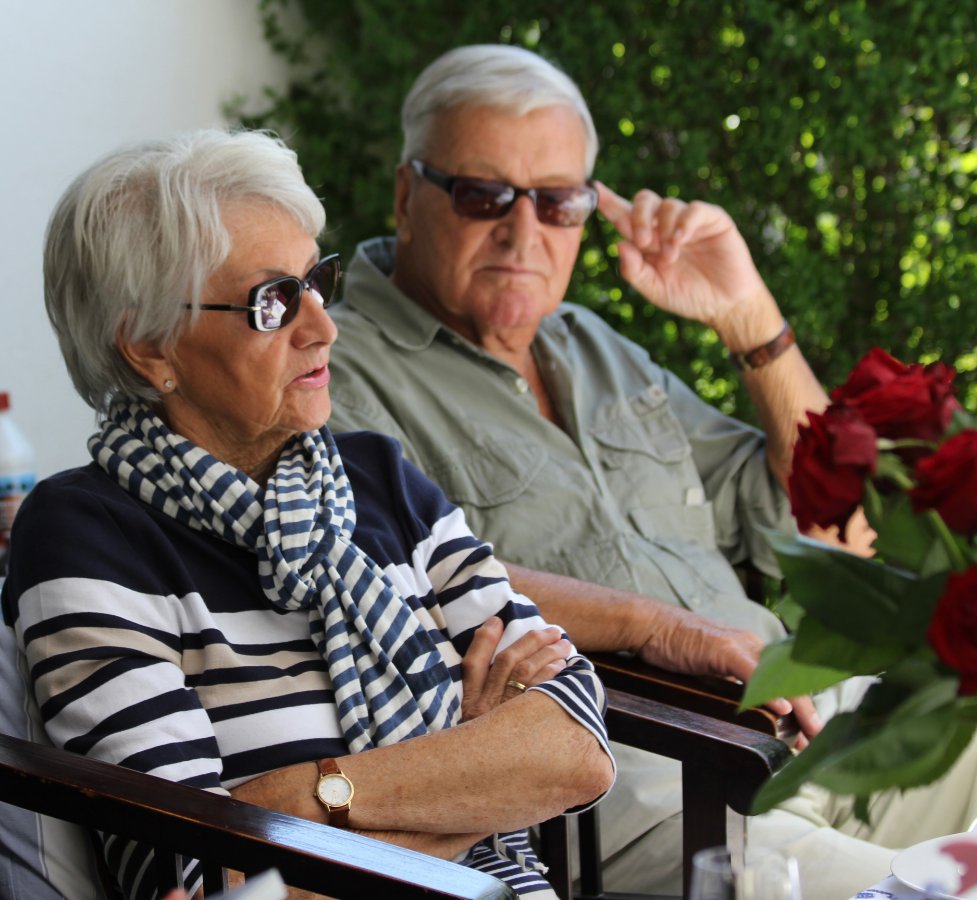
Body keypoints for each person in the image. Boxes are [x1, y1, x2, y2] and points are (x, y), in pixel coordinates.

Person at [324, 43, 977, 899]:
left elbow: (835, 526)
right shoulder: (333, 369)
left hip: (820, 727)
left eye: (557, 201)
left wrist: (747, 316)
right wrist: (655, 625)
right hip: (669, 788)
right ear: (407, 196)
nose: (523, 233)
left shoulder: (592, 346)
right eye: (483, 195)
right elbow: (383, 576)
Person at [0, 128, 616, 900]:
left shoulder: (379, 481)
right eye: (273, 301)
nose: (323, 326)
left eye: (315, 281)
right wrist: (472, 775)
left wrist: (304, 796)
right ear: (149, 347)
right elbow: (204, 877)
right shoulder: (87, 536)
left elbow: (573, 749)